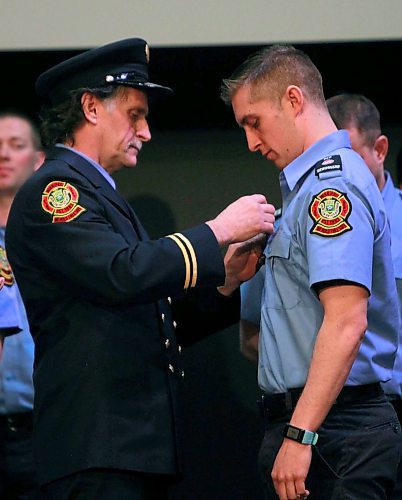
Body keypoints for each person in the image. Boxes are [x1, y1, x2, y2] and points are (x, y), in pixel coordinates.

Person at [5, 38, 275, 499]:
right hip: (95, 446)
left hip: (124, 445)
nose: (146, 131)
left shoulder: (98, 192)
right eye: (134, 113)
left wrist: (224, 283)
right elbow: (121, 273)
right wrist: (218, 230)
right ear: (90, 107)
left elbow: (148, 315)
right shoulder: (56, 190)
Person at [220, 44, 401, 499]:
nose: (251, 143)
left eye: (254, 122)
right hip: (315, 423)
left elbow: (346, 322)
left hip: (334, 431)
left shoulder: (331, 190)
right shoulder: (304, 192)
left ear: (294, 100)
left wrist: (301, 434)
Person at [326, 92, 402, 499]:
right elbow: (255, 334)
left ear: (380, 149)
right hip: (340, 418)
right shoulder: (307, 218)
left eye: (350, 153)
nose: (337, 168)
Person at [0, 111, 44, 498]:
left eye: (16, 146)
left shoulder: (59, 239)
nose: (3, 156)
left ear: (39, 160)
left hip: (45, 428)